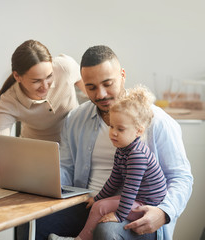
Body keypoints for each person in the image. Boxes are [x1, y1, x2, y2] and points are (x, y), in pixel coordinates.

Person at [17, 45, 193, 240]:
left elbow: (181, 178)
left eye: (107, 84)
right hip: (88, 204)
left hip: (137, 210)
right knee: (32, 220)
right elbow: (66, 167)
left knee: (106, 231)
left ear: (122, 75)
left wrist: (164, 212)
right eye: (91, 87)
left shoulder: (158, 122)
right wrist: (41, 187)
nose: (100, 94)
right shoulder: (76, 118)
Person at [49, 86, 168, 240]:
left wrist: (119, 215)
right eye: (111, 126)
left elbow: (130, 189)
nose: (113, 133)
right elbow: (114, 179)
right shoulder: (122, 149)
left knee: (101, 208)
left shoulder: (137, 156)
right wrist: (97, 197)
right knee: (99, 204)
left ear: (138, 131)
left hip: (147, 205)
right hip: (137, 199)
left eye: (121, 129)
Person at [0, 39, 86, 161]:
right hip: (35, 156)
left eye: (49, 76)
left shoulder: (64, 68)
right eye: (36, 81)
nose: (45, 86)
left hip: (74, 147)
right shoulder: (9, 101)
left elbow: (93, 93)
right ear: (17, 76)